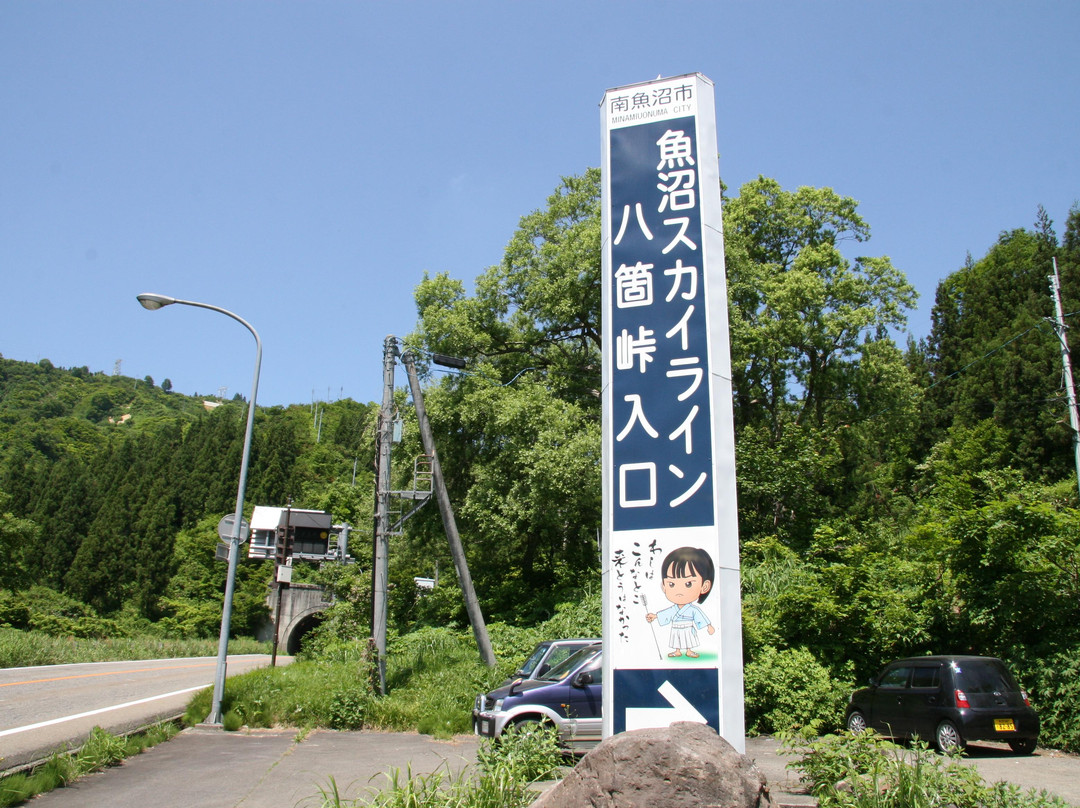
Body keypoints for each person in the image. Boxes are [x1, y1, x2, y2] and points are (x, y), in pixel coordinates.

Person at [645, 546, 716, 658]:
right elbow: (667, 613)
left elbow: (700, 616)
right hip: (676, 627)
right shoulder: (674, 609)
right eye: (671, 584)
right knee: (676, 639)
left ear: (704, 586)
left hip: (688, 626)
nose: (679, 591)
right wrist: (655, 616)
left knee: (689, 639)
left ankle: (689, 650)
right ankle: (677, 651)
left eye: (688, 584)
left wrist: (709, 626)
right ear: (664, 586)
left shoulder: (692, 609)